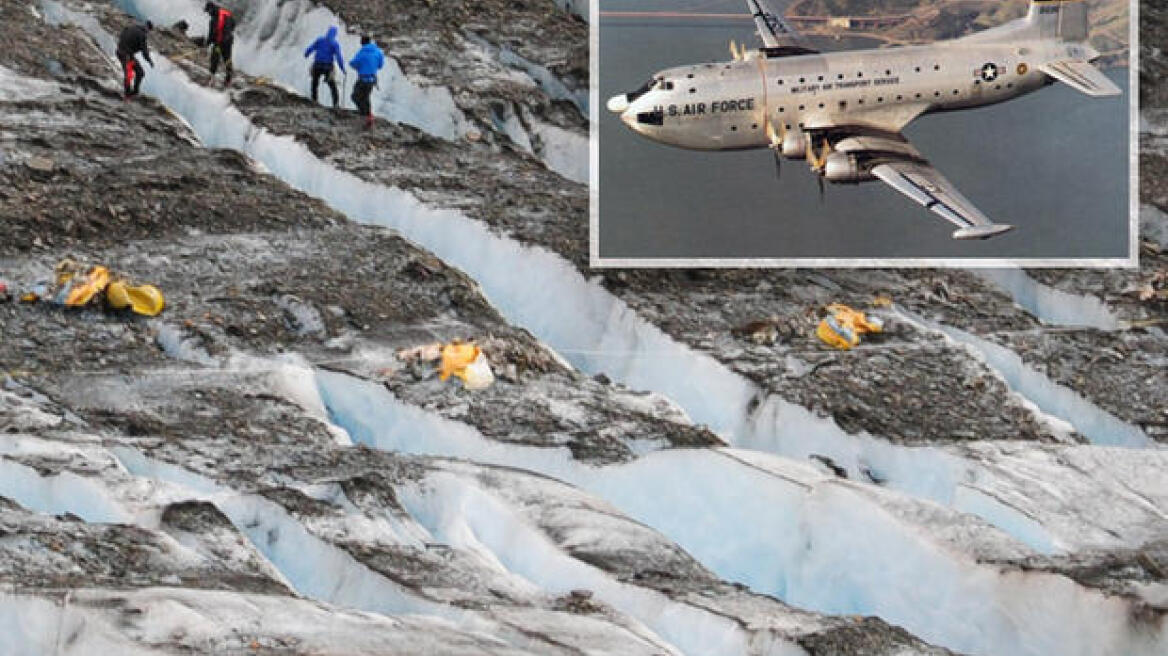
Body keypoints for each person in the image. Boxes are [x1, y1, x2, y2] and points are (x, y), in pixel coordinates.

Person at [304, 26, 345, 108]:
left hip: (317, 65)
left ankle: (314, 100)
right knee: (332, 85)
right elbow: (338, 56)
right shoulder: (334, 43)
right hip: (327, 67)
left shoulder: (320, 40)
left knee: (315, 83)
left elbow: (311, 48)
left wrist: (306, 54)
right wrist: (342, 68)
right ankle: (335, 104)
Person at [348, 35, 384, 128]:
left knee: (355, 96)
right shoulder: (378, 51)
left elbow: (353, 63)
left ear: (362, 42)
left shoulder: (362, 52)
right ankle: (368, 116)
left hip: (363, 78)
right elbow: (380, 65)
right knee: (366, 97)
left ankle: (364, 114)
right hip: (372, 79)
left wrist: (360, 67)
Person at [116, 21, 154, 98]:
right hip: (127, 56)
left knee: (139, 72)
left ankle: (133, 92)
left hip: (121, 52)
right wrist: (150, 61)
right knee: (132, 74)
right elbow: (144, 52)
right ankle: (128, 95)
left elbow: (122, 36)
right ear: (148, 29)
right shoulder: (142, 34)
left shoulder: (130, 27)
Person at [203, 2, 235, 86]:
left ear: (211, 9)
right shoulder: (226, 13)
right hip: (228, 41)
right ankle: (228, 79)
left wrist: (207, 44)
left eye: (208, 11)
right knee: (227, 59)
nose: (208, 14)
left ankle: (211, 77)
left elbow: (211, 34)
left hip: (219, 43)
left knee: (214, 58)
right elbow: (233, 25)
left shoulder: (214, 20)